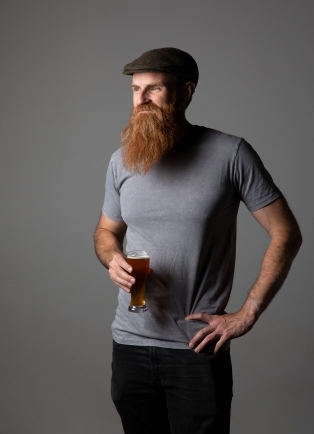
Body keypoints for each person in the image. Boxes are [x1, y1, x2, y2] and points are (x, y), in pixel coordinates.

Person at [94, 47, 302, 434]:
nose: (141, 100)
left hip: (195, 349)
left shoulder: (230, 153)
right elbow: (106, 233)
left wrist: (247, 313)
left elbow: (286, 232)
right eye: (136, 89)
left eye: (154, 89)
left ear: (186, 92)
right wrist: (112, 259)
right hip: (129, 344)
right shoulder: (122, 160)